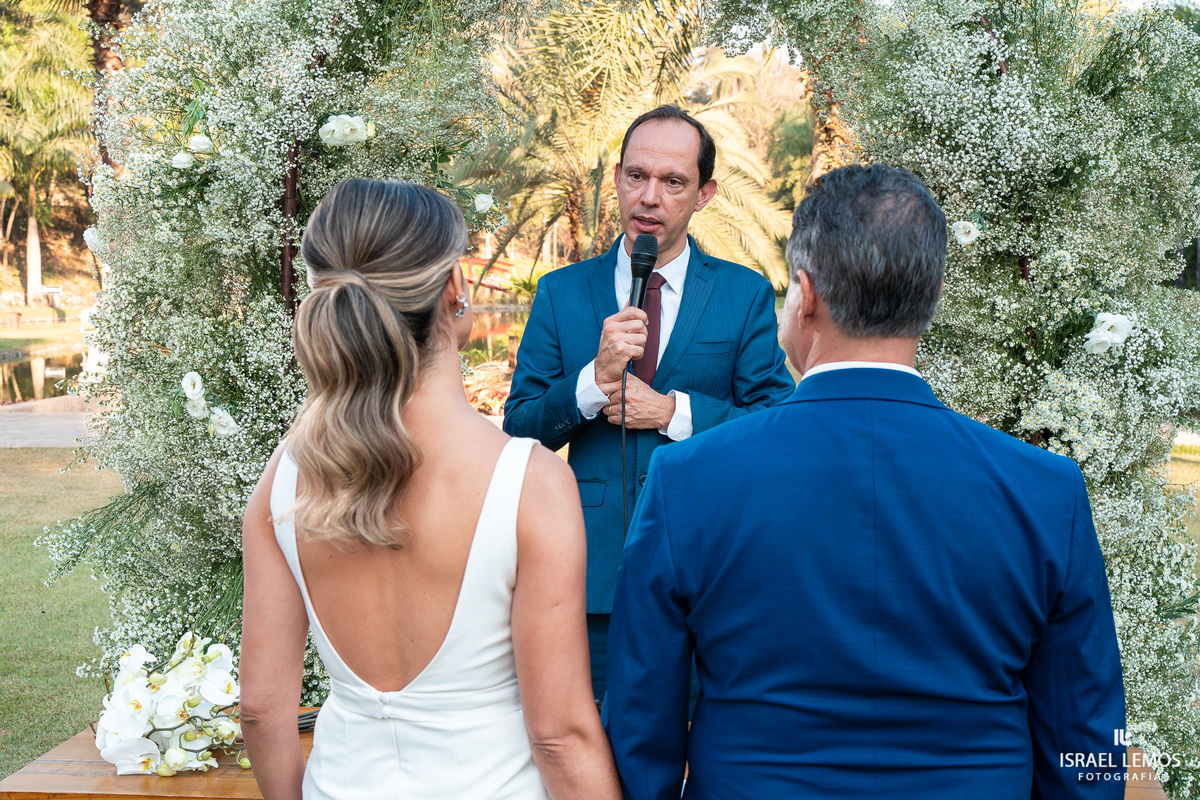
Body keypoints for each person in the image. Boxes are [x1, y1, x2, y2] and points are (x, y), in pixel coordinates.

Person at [604, 164, 1126, 799]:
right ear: (929, 298)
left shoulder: (689, 479)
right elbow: (1085, 745)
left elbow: (640, 726)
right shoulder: (1047, 491)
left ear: (807, 294)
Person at [240, 179, 621, 800]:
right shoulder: (529, 481)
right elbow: (559, 737)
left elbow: (260, 708)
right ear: (454, 290)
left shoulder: (288, 473)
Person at [503, 106, 795, 701]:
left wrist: (670, 414)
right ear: (615, 179)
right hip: (589, 579)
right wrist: (592, 381)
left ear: (705, 193)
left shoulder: (743, 294)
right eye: (636, 176)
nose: (650, 197)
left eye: (673, 182)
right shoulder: (561, 293)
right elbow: (520, 430)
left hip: (708, 576)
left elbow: (778, 428)